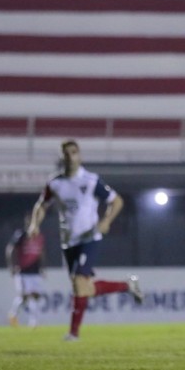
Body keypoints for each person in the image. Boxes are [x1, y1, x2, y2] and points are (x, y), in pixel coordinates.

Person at [28, 140, 144, 341]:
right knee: (83, 288)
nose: (70, 156)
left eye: (74, 152)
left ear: (79, 156)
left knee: (80, 283)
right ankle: (127, 286)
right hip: (68, 241)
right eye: (66, 153)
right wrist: (34, 224)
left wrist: (106, 221)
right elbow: (41, 206)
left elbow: (117, 201)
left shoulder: (90, 181)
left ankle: (73, 334)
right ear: (61, 157)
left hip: (89, 238)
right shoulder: (55, 183)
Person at [5, 214, 47, 328]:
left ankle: (33, 322)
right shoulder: (21, 235)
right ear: (27, 223)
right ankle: (14, 313)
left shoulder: (39, 237)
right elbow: (10, 250)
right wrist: (12, 266)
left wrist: (42, 268)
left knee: (35, 295)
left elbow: (41, 253)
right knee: (25, 296)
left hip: (35, 270)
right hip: (23, 271)